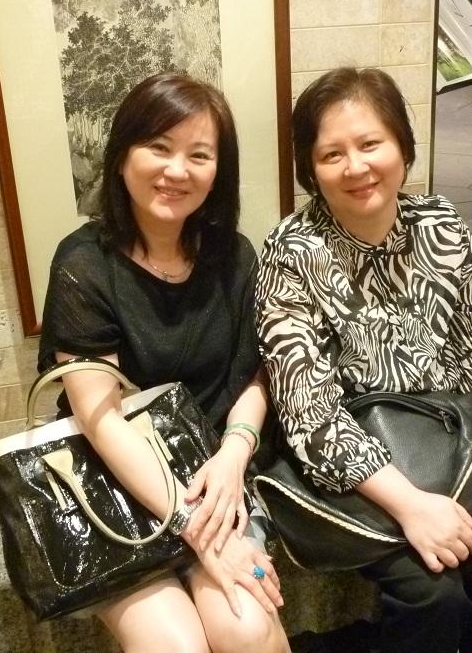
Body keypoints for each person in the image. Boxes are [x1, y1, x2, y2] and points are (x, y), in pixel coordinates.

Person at [256, 67, 472, 653]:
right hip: (351, 459)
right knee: (433, 596)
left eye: (370, 144)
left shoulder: (441, 224)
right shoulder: (290, 251)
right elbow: (308, 412)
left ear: (403, 147)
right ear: (310, 170)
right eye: (331, 154)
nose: (355, 167)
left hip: (448, 444)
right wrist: (411, 505)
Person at [38, 72, 290, 652]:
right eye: (159, 147)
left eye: (199, 155)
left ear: (218, 170)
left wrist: (234, 453)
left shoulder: (233, 254)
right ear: (123, 155)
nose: (177, 170)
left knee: (248, 629)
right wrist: (193, 528)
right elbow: (100, 419)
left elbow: (256, 372)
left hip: (215, 475)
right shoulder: (83, 265)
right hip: (116, 485)